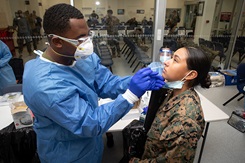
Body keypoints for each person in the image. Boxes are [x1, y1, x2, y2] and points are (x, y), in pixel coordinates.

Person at [22, 4, 165, 163]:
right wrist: (131, 95)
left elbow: (106, 83)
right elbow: (89, 123)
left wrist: (135, 81)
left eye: (88, 35)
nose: (88, 43)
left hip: (92, 145)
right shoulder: (45, 85)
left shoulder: (79, 56)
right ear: (57, 42)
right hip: (68, 154)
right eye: (81, 39)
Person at [130, 46, 211, 162]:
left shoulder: (185, 119)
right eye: (171, 57)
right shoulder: (172, 92)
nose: (166, 62)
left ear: (190, 75)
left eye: (175, 60)